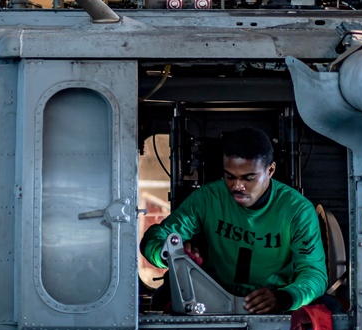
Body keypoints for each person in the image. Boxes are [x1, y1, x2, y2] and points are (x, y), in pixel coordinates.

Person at [140, 127, 327, 313]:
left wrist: (285, 298)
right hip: (211, 299)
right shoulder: (207, 199)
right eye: (230, 176)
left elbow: (315, 274)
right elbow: (153, 239)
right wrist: (172, 256)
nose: (237, 186)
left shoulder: (297, 210)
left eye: (248, 178)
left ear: (270, 170)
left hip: (274, 302)